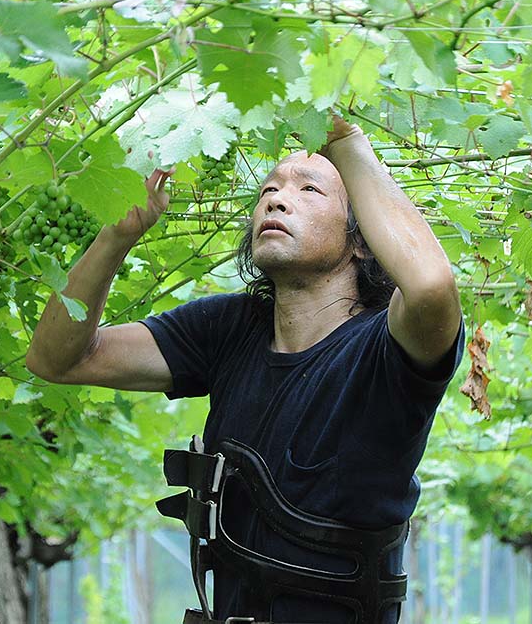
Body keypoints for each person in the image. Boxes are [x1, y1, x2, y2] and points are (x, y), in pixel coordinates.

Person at [25, 114, 464, 624]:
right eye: (268, 189)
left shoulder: (387, 351)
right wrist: (116, 237)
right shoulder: (228, 329)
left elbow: (432, 287)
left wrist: (344, 140)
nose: (277, 199)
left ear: (361, 240)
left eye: (310, 190)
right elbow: (57, 358)